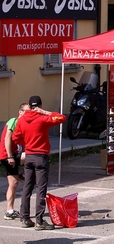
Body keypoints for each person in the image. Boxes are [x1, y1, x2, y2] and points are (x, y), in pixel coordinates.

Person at [12, 96, 66, 230]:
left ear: (29, 106)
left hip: (29, 156)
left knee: (27, 188)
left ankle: (25, 218)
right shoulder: (42, 118)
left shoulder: (22, 119)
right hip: (40, 156)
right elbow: (61, 118)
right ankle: (39, 221)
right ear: (40, 105)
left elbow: (15, 137)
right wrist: (45, 112)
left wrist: (27, 143)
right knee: (41, 188)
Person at [0, 103, 29, 220]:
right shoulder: (13, 121)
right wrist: (9, 156)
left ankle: (9, 211)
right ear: (20, 112)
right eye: (27, 111)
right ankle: (23, 175)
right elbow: (7, 138)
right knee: (32, 155)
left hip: (15, 154)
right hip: (7, 156)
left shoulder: (24, 125)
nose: (29, 114)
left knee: (13, 184)